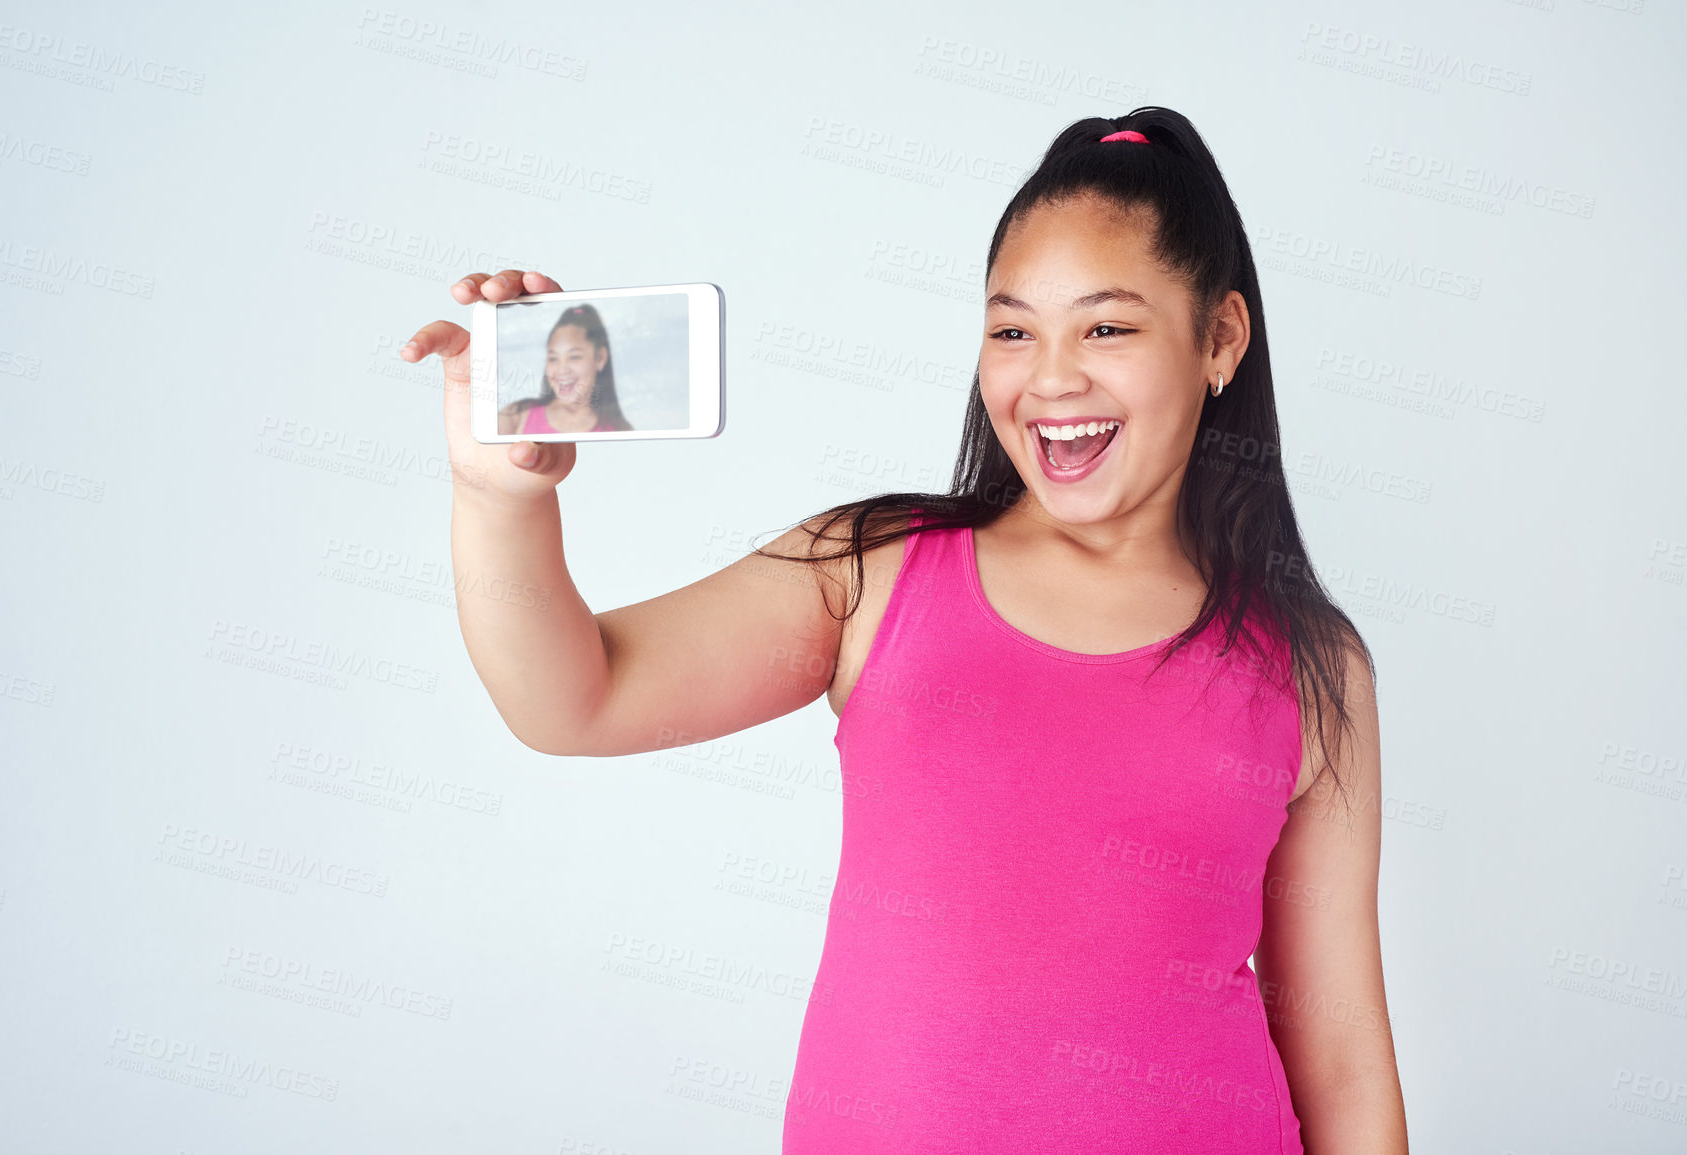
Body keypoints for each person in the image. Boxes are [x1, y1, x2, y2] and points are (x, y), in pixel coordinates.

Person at [401, 106, 1406, 1154]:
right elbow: (572, 698)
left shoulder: (1308, 665)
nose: (1051, 378)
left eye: (1106, 327)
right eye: (1013, 329)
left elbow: (1340, 1059)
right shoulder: (873, 571)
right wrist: (497, 497)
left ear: (1220, 340)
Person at [495, 302, 634, 435]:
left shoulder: (620, 430)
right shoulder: (516, 417)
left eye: (574, 357)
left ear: (600, 358)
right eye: (553, 358)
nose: (562, 371)